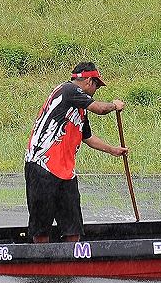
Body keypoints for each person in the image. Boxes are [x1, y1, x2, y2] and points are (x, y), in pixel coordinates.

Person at [24, 62, 127, 243]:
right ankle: (42, 266)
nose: (96, 89)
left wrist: (113, 150)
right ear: (88, 81)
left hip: (65, 171)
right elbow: (100, 109)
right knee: (41, 228)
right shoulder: (68, 90)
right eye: (96, 85)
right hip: (41, 165)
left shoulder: (79, 108)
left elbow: (87, 137)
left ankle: (71, 264)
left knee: (73, 227)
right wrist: (114, 105)